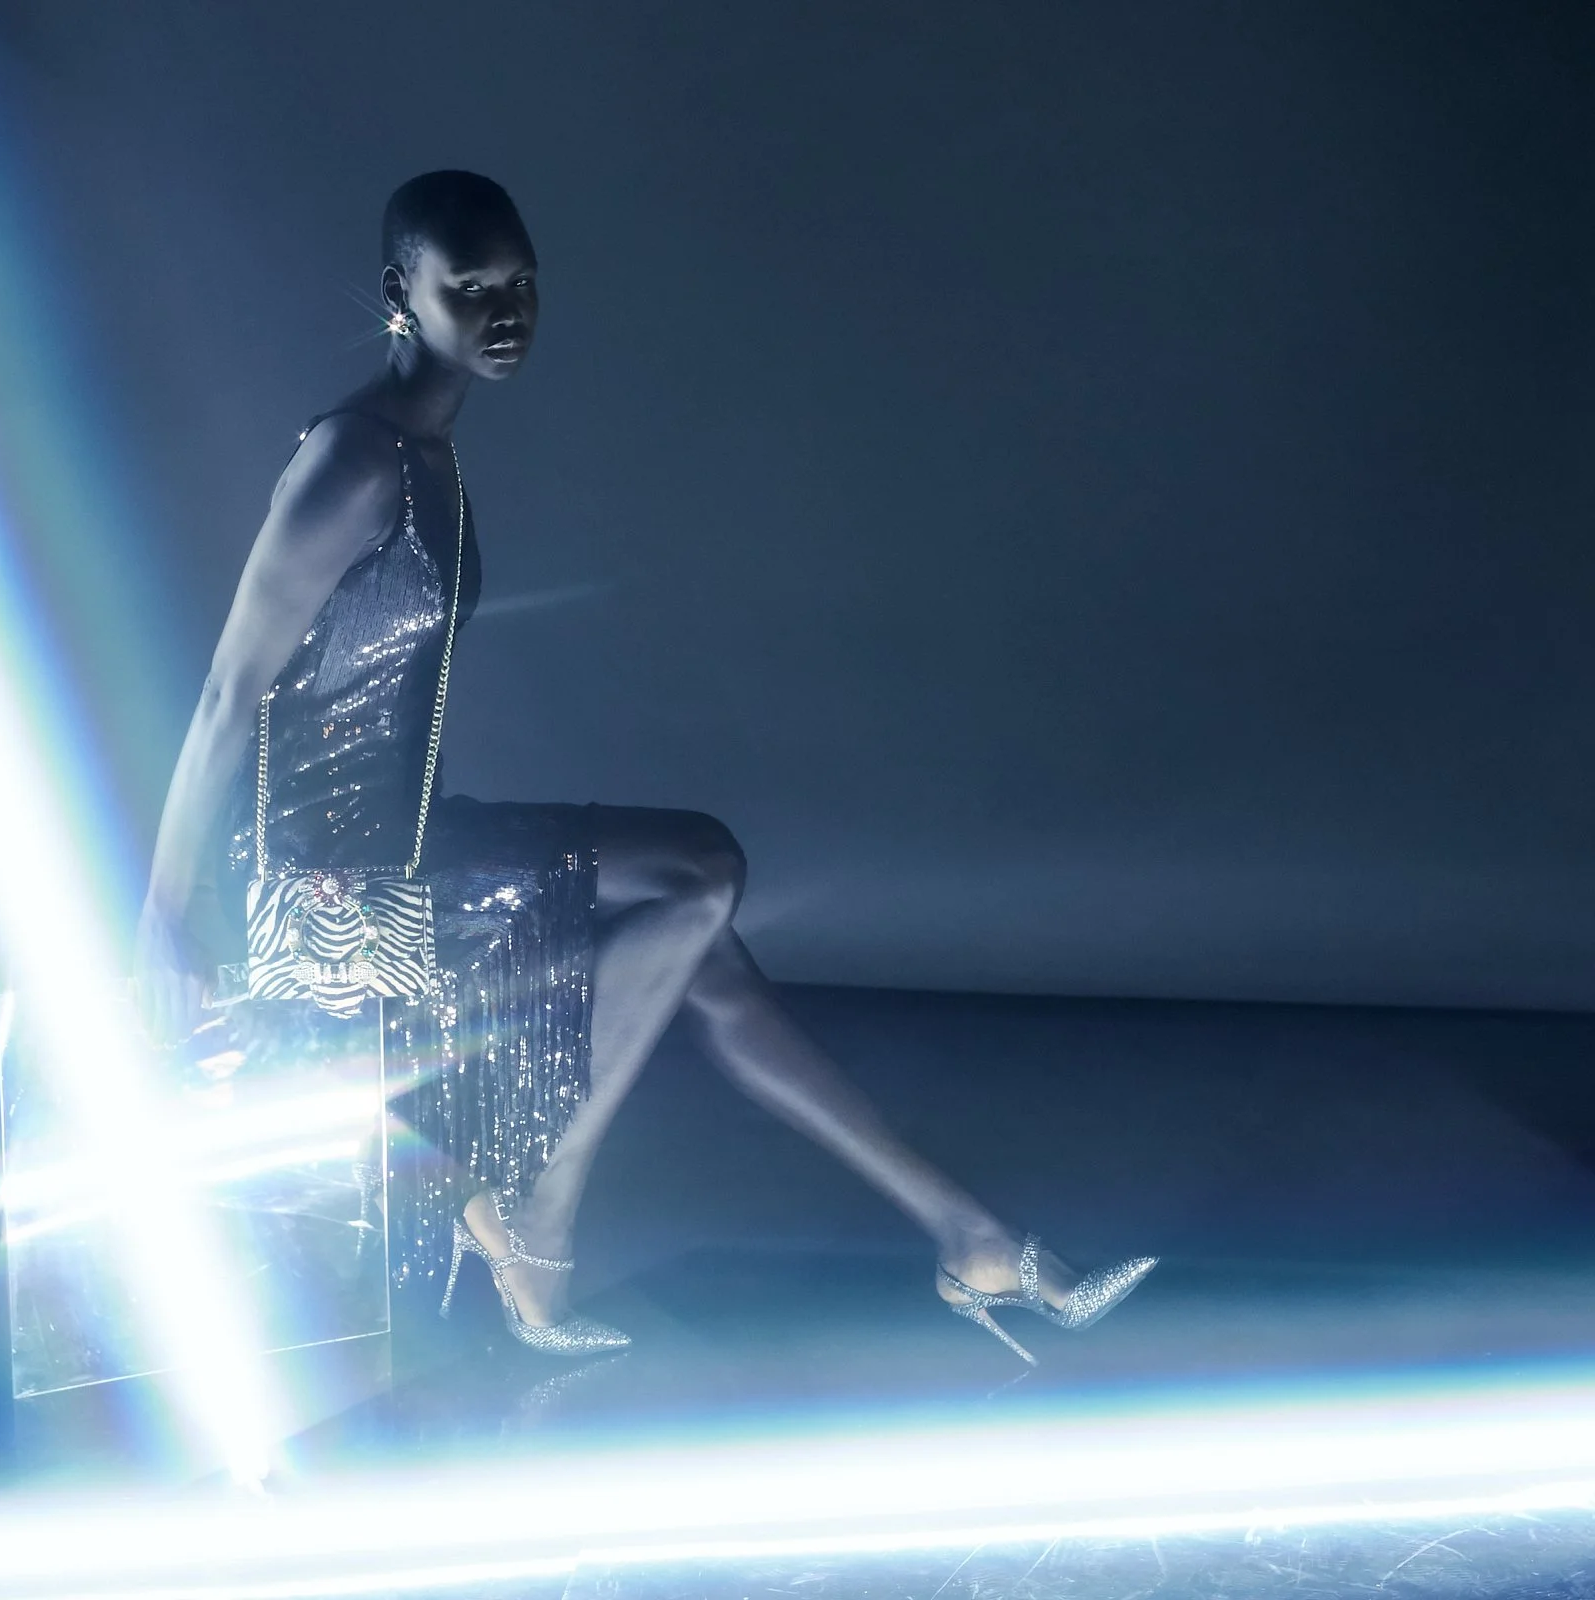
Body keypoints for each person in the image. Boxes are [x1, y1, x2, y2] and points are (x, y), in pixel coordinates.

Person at [135, 171, 1154, 1364]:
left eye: (522, 283)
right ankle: (539, 1212)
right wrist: (161, 918)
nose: (506, 311)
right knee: (698, 870)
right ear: (398, 293)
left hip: (409, 839)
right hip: (331, 890)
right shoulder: (354, 460)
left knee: (699, 937)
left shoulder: (429, 452)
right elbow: (226, 692)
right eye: (471, 287)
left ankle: (967, 1236)